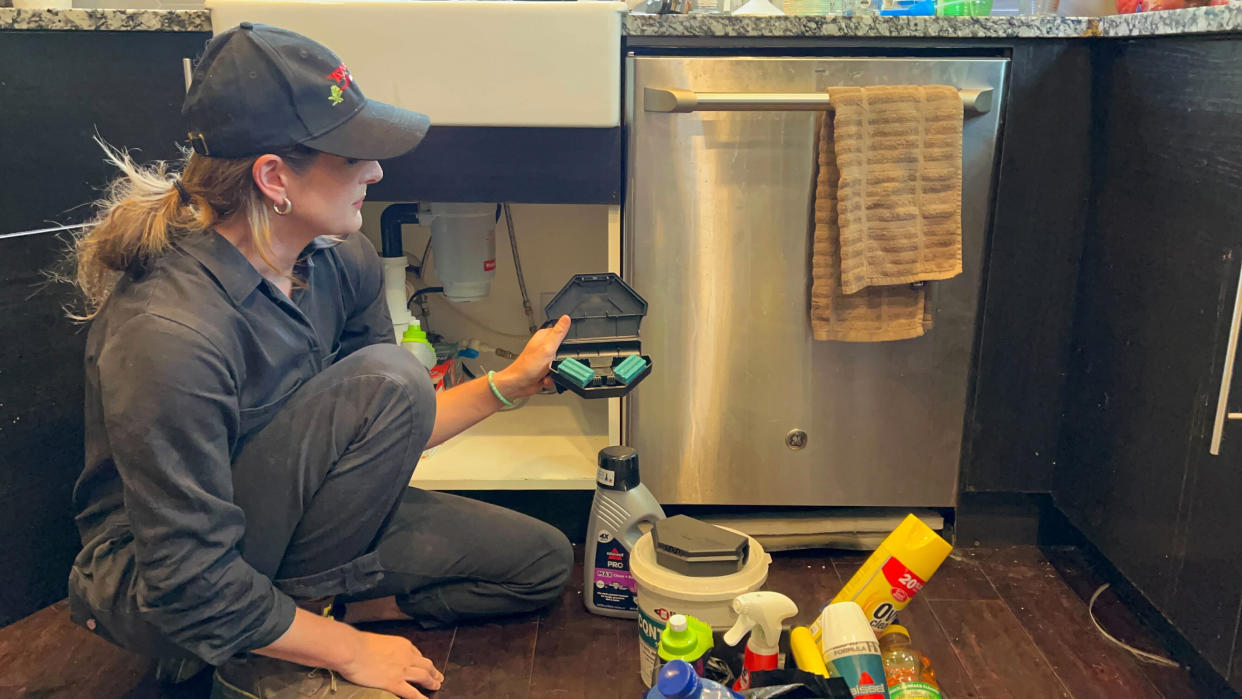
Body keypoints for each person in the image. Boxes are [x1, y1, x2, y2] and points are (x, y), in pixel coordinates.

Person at [66, 23, 574, 699]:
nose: (377, 170)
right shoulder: (168, 331)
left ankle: (294, 619)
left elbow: (382, 427)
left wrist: (506, 387)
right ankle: (269, 646)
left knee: (541, 562)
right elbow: (189, 574)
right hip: (171, 583)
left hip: (296, 526)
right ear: (274, 176)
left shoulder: (341, 260)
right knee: (392, 375)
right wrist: (354, 650)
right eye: (354, 155)